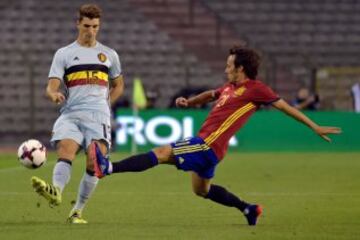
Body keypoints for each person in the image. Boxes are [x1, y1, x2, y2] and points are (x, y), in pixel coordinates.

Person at [92, 46, 341, 226]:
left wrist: (314, 126)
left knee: (161, 153)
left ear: (241, 68)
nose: (225, 68)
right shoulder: (229, 88)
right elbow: (211, 94)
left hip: (207, 145)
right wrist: (189, 102)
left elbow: (286, 107)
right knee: (201, 190)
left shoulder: (257, 89)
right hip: (212, 149)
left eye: (229, 65)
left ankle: (108, 167)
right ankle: (249, 209)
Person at [30, 4, 124, 224]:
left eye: (95, 26)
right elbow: (51, 86)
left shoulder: (109, 55)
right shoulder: (64, 54)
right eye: (86, 26)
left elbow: (119, 85)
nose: (91, 31)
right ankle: (56, 191)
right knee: (66, 150)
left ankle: (77, 211)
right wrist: (53, 94)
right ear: (78, 24)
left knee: (94, 163)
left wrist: (106, 104)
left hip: (98, 116)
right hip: (71, 113)